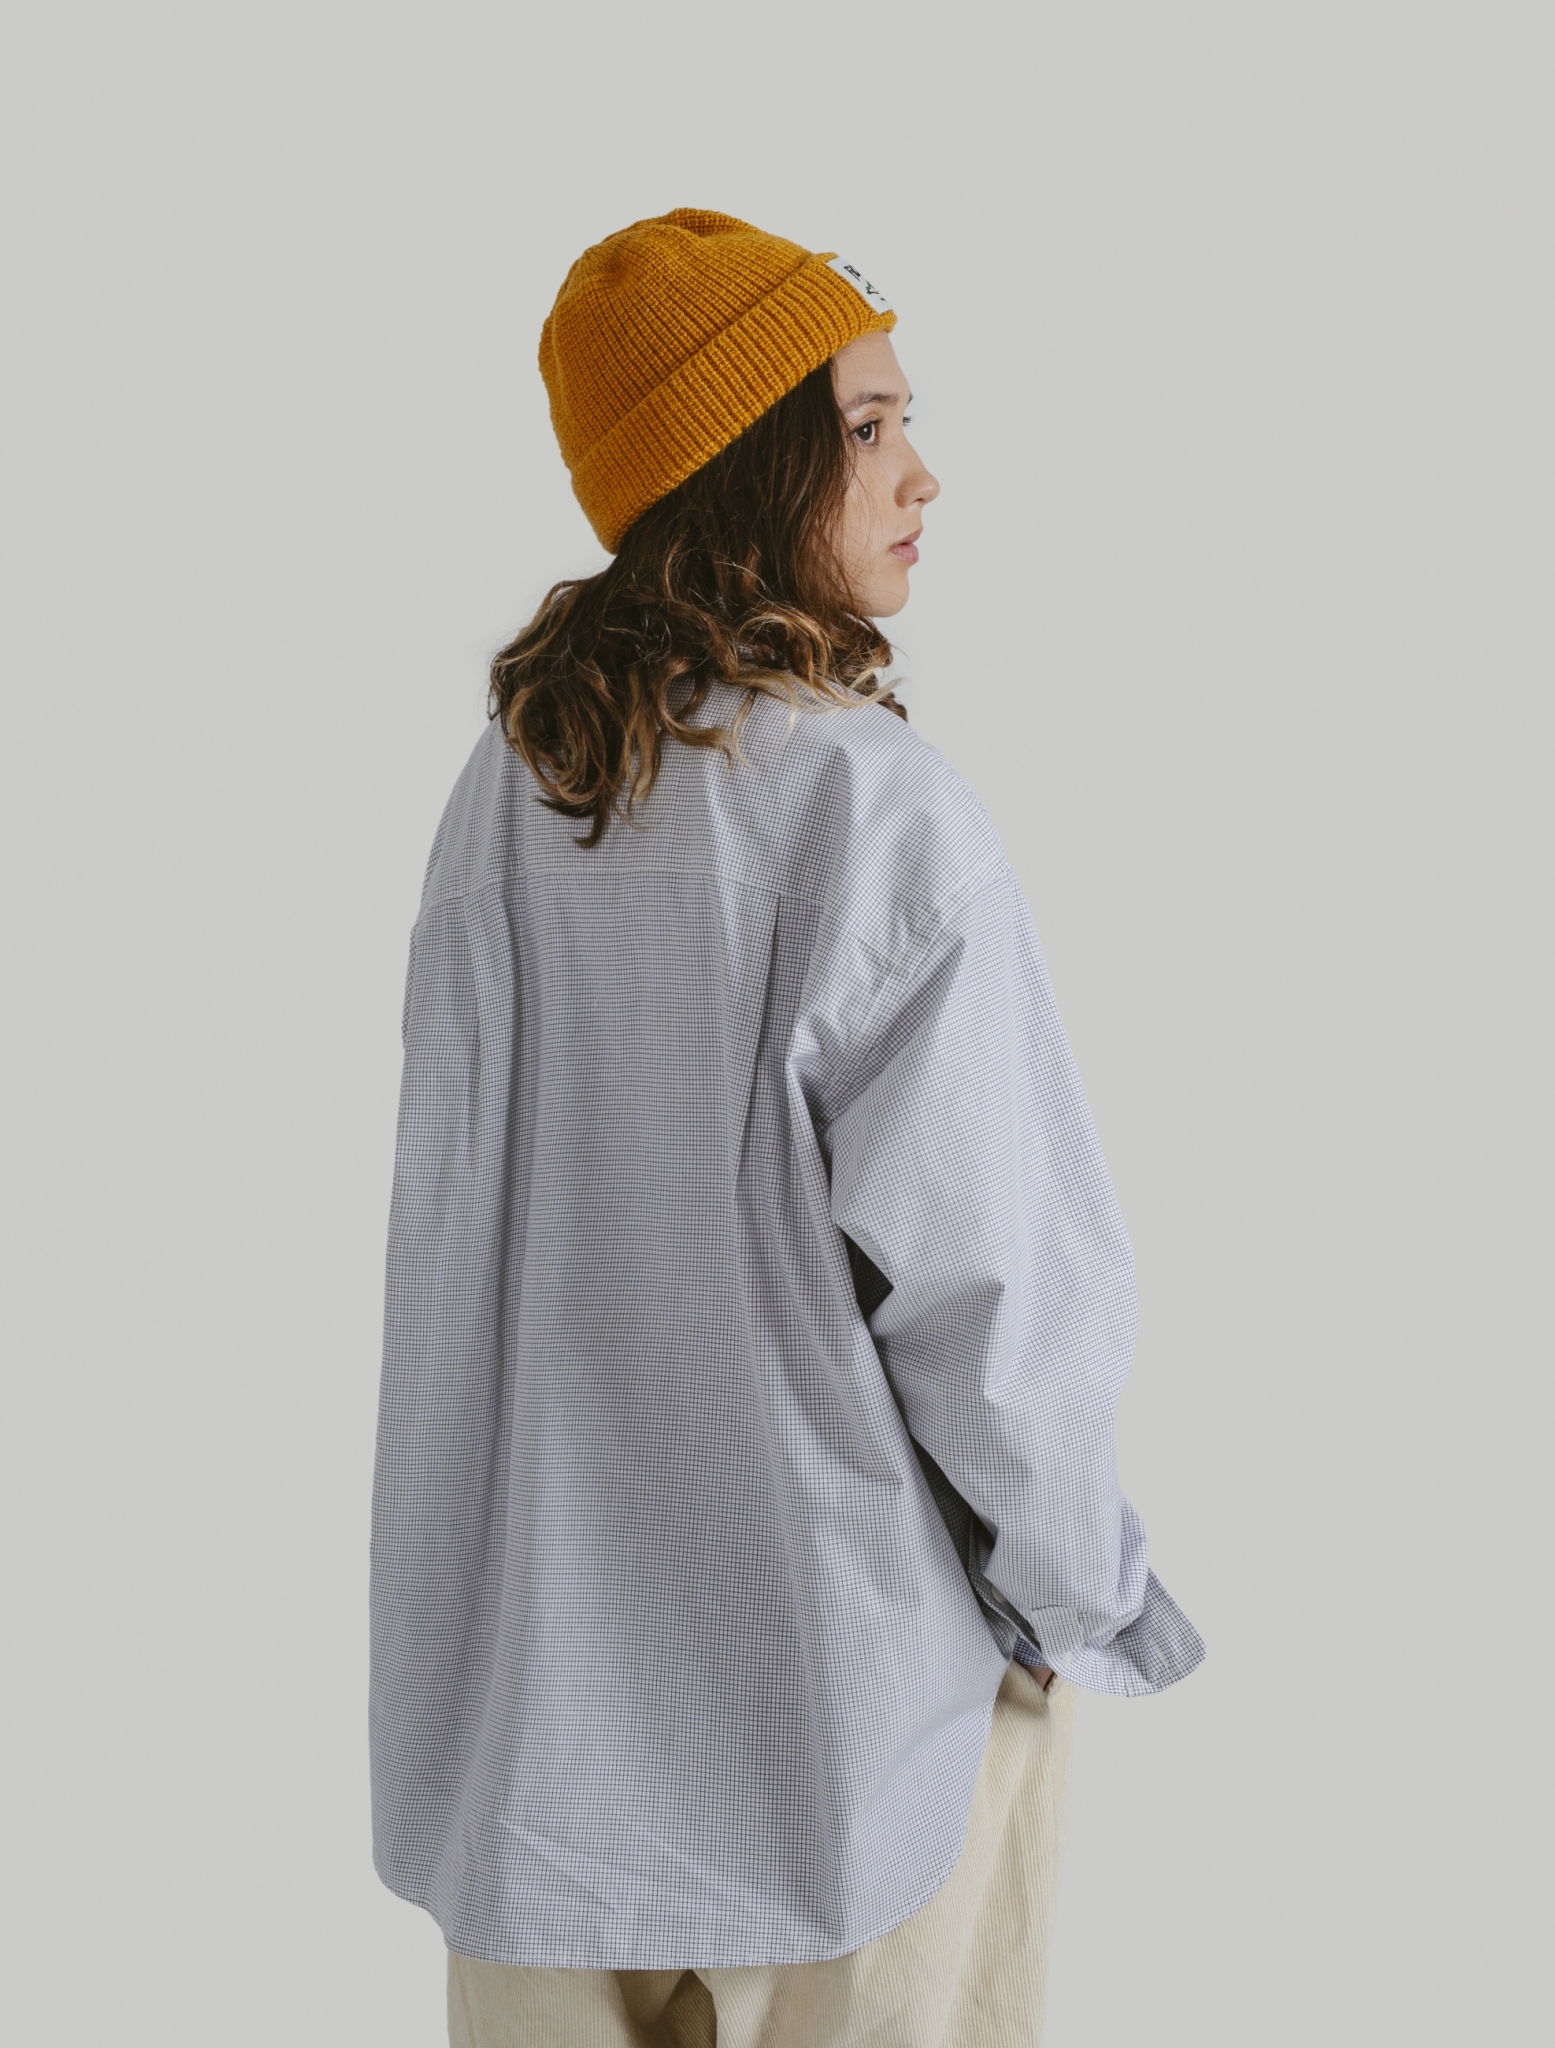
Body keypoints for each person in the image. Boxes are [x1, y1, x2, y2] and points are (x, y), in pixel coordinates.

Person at [371, 207, 1203, 2048]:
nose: (924, 474)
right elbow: (995, 1297)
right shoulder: (873, 810)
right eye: (870, 426)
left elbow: (443, 1263)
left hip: (537, 1753)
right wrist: (1083, 1596)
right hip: (857, 1732)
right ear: (747, 462)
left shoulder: (503, 803)